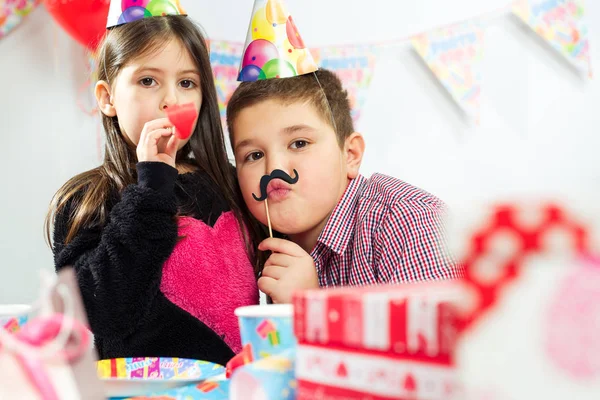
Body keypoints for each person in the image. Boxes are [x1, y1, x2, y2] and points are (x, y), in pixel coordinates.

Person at [45, 5, 262, 365]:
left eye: (187, 83)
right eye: (148, 80)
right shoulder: (85, 200)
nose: (171, 100)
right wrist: (152, 189)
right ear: (107, 97)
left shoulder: (231, 182)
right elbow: (101, 312)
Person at [227, 68, 462, 304]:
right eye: (254, 155)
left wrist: (311, 306)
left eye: (299, 143)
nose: (273, 169)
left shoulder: (408, 223)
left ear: (350, 155)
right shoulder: (257, 246)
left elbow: (435, 339)